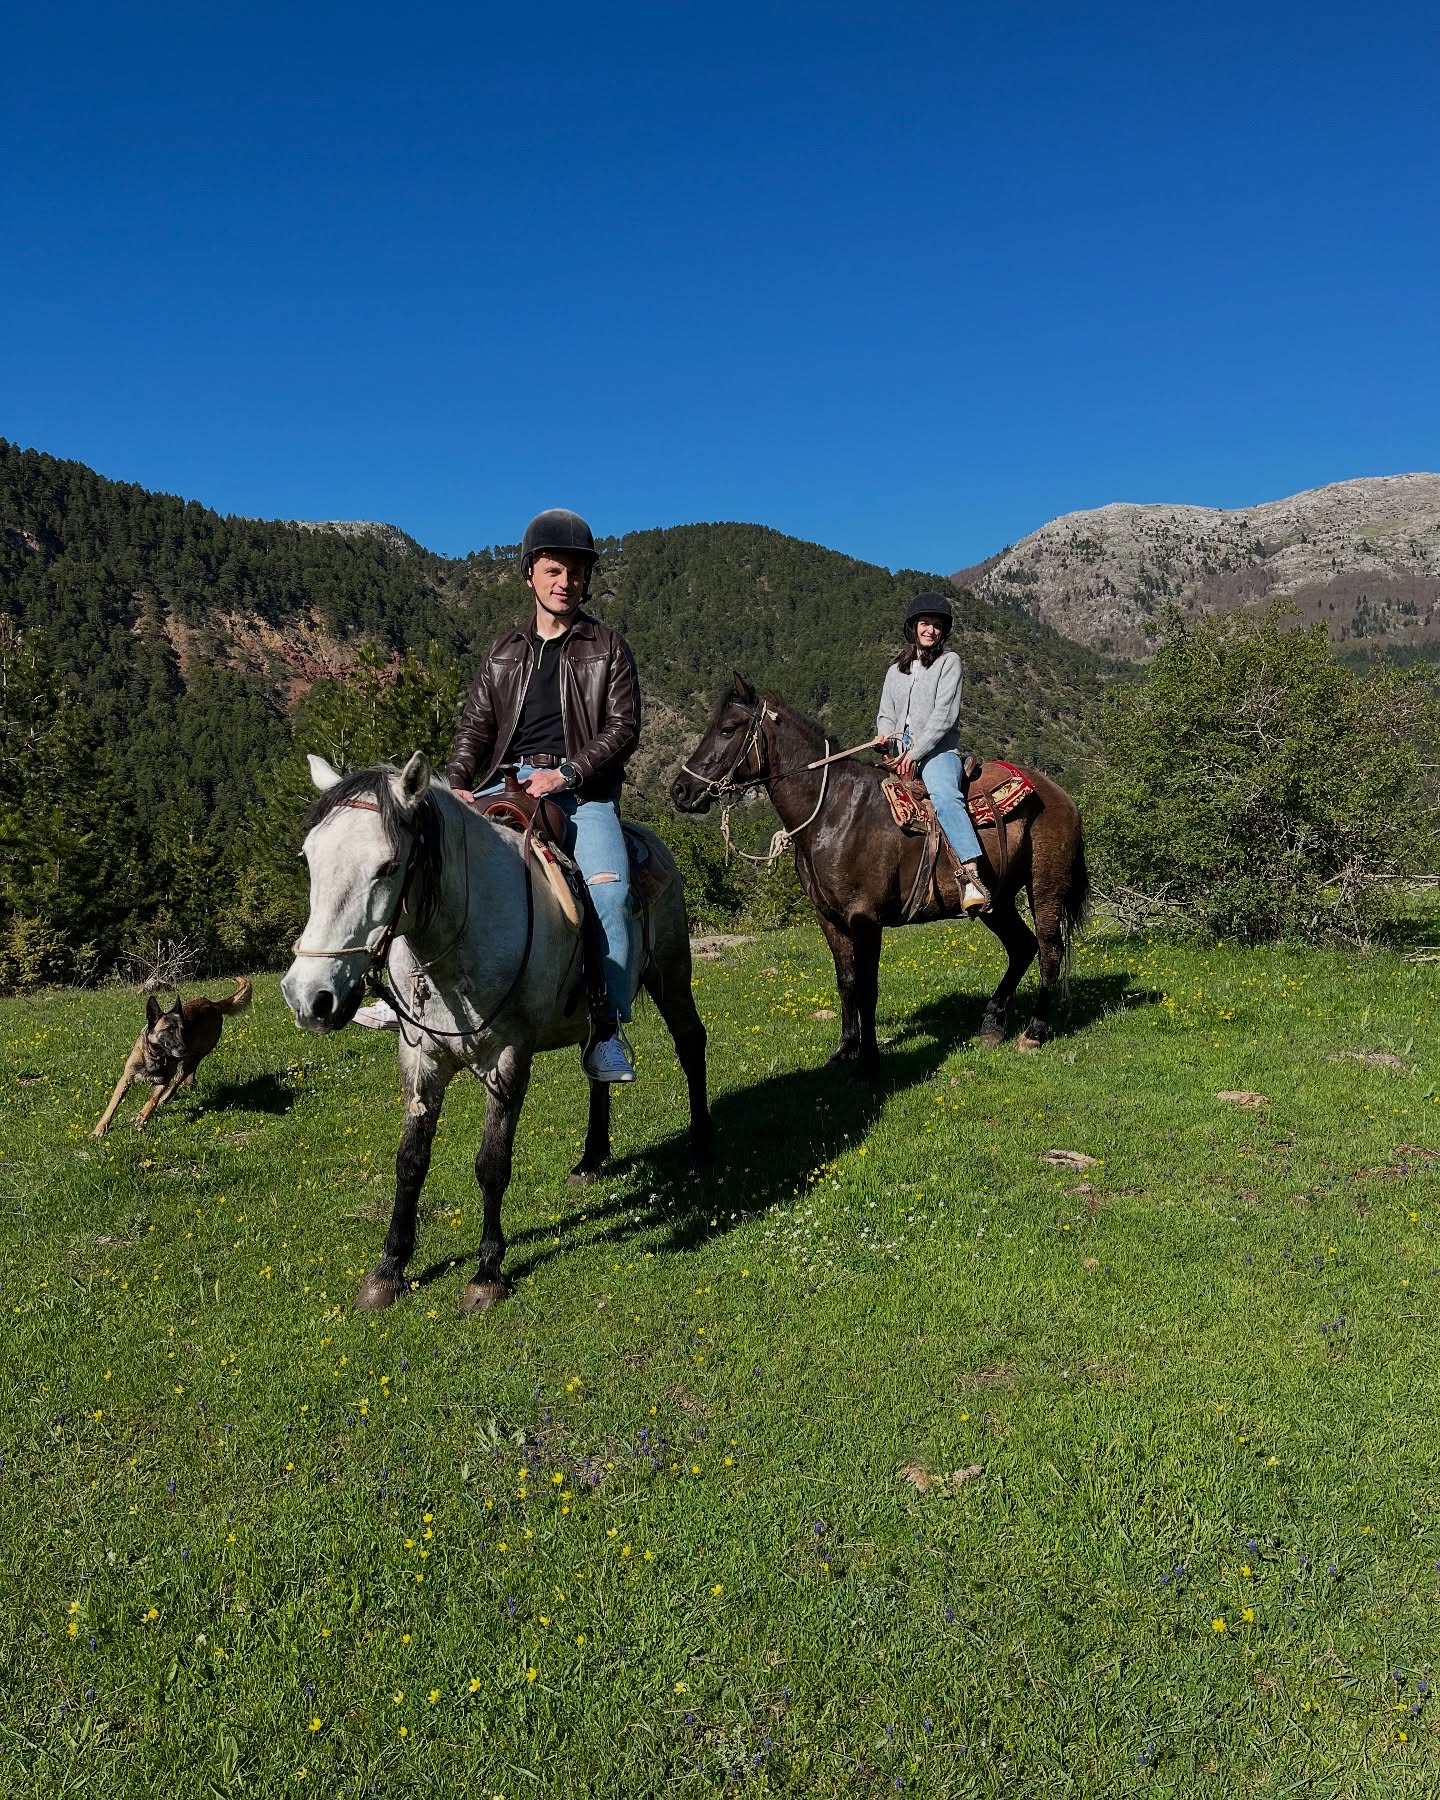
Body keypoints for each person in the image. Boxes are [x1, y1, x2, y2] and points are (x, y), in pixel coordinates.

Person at [436, 508, 643, 1082]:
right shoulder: (504, 651)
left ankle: (606, 1031)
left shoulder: (608, 646)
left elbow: (623, 728)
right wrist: (457, 783)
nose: (565, 582)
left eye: (575, 572)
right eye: (554, 570)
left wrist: (567, 775)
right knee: (422, 858)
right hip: (502, 783)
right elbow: (476, 729)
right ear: (529, 573)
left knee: (611, 896)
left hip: (583, 794)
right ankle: (413, 1000)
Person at [875, 592, 990, 916]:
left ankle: (971, 875)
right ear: (913, 627)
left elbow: (945, 716)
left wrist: (917, 751)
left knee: (944, 796)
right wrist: (884, 737)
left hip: (938, 749)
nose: (931, 630)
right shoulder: (895, 671)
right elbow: (886, 712)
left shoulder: (948, 663)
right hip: (900, 751)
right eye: (925, 623)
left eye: (937, 626)